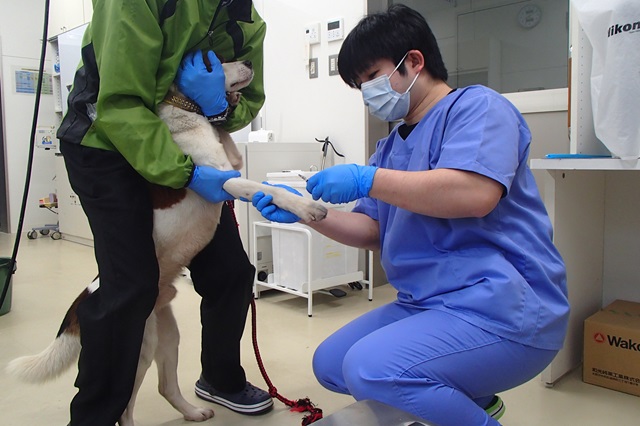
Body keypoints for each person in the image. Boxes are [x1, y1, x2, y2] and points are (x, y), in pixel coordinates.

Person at [251, 4, 570, 425]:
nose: (366, 92)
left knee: (370, 368)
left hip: (505, 305)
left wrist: (367, 180)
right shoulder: (389, 148)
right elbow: (372, 229)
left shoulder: (479, 108)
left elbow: (474, 193)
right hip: (425, 303)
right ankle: (470, 398)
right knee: (331, 363)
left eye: (370, 77)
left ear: (414, 62)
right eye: (358, 85)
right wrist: (309, 214)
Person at [56, 1, 272, 424]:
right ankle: (94, 417)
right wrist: (186, 174)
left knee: (230, 271)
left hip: (178, 137)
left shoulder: (247, 18)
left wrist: (218, 107)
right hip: (105, 140)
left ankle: (220, 379)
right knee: (132, 285)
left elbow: (249, 98)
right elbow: (120, 103)